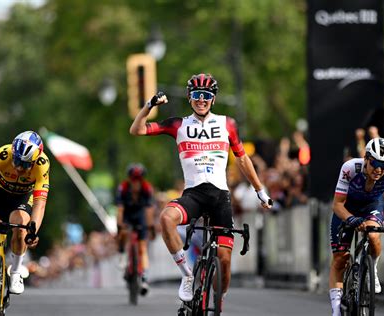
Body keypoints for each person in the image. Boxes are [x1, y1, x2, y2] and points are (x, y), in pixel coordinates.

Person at [129, 73, 272, 303]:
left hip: (219, 196)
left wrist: (260, 191)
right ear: (189, 97)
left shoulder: (227, 124)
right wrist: (149, 105)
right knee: (166, 219)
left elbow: (243, 159)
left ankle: (219, 302)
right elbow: (137, 130)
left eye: (207, 95)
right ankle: (187, 275)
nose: (201, 100)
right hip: (193, 194)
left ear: (214, 99)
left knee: (224, 261)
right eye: (197, 95)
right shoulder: (178, 124)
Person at [0, 131, 50, 316]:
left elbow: (40, 203)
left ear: (35, 160)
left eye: (24, 164)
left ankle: (15, 272)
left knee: (22, 222)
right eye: (17, 161)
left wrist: (33, 230)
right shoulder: (3, 154)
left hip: (21, 200)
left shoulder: (42, 163)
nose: (18, 168)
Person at [328, 137, 384, 316]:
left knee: (373, 236)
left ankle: (373, 268)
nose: (379, 169)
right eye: (375, 163)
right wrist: (351, 219)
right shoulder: (350, 168)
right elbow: (337, 204)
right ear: (366, 158)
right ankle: (336, 310)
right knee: (340, 258)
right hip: (347, 207)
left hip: (372, 205)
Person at [115, 163, 155, 295]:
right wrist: (119, 226)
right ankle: (121, 252)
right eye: (133, 180)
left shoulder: (147, 188)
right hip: (126, 213)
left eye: (138, 180)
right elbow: (120, 209)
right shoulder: (123, 188)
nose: (136, 184)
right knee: (124, 232)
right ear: (129, 180)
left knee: (142, 246)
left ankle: (144, 277)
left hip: (139, 214)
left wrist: (151, 227)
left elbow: (149, 210)